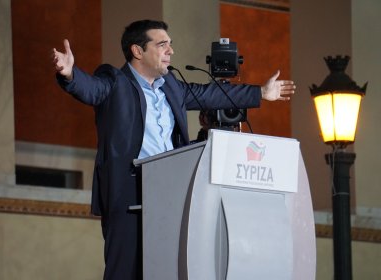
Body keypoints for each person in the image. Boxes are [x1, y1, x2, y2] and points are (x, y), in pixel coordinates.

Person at [52, 19, 295, 280]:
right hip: (129, 192)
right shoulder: (115, 81)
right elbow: (90, 89)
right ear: (138, 51)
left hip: (173, 192)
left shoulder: (172, 87)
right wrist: (69, 74)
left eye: (171, 45)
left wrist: (261, 92)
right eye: (162, 45)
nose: (171, 51)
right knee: (125, 271)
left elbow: (211, 95)